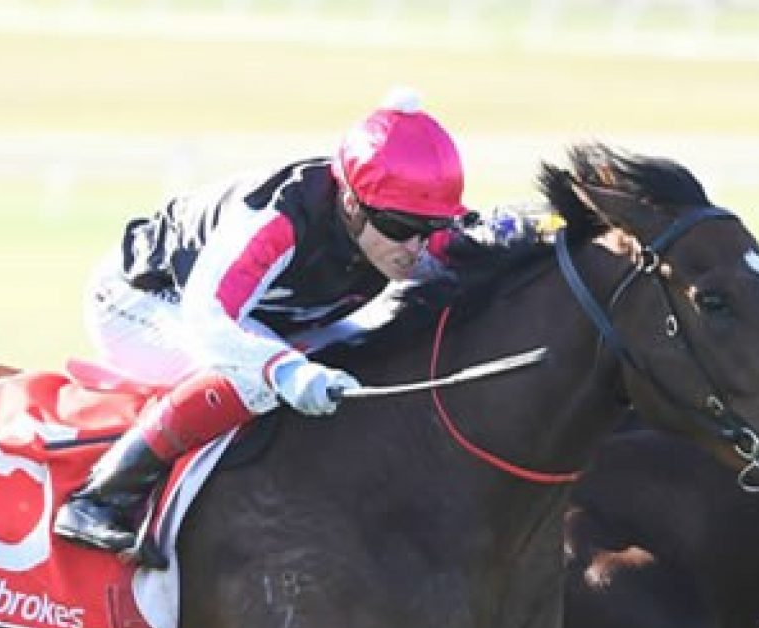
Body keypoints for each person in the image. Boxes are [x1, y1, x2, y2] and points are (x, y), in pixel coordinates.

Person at [52, 89, 470, 558]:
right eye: (398, 227)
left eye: (430, 228)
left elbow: (489, 241)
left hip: (262, 315)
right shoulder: (279, 220)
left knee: (370, 354)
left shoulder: (411, 230)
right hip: (147, 300)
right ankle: (102, 497)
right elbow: (209, 317)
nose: (416, 247)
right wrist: (284, 369)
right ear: (351, 202)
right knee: (256, 378)